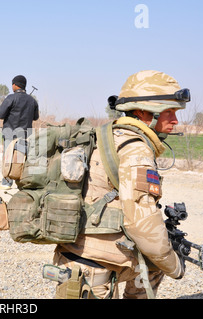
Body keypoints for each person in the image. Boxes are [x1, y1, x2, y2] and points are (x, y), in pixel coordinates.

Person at [53, 70, 188, 299]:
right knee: (158, 260)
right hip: (96, 267)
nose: (175, 120)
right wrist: (175, 265)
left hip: (71, 253)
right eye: (169, 111)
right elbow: (143, 224)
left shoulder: (107, 135)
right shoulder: (136, 149)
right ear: (143, 111)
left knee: (153, 265)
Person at [0, 75, 39, 190]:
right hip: (25, 135)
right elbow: (36, 117)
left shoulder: (11, 98)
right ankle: (21, 183)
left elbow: (0, 114)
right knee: (21, 159)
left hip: (10, 134)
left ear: (15, 85)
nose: (12, 86)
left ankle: (7, 182)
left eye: (12, 84)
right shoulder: (32, 101)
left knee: (8, 159)